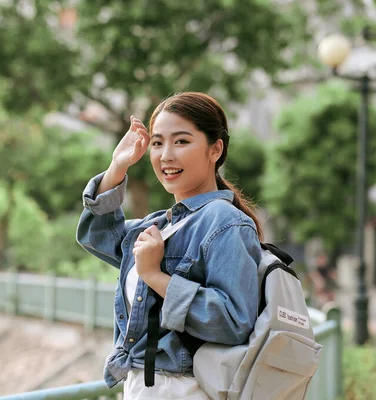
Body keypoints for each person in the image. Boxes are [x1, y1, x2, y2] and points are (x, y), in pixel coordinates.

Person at [77, 92, 263, 400]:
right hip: (144, 387)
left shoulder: (225, 222)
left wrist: (156, 277)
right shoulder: (162, 224)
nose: (166, 155)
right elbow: (97, 238)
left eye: (181, 141)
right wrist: (116, 169)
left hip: (184, 389)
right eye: (157, 143)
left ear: (215, 149)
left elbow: (234, 322)